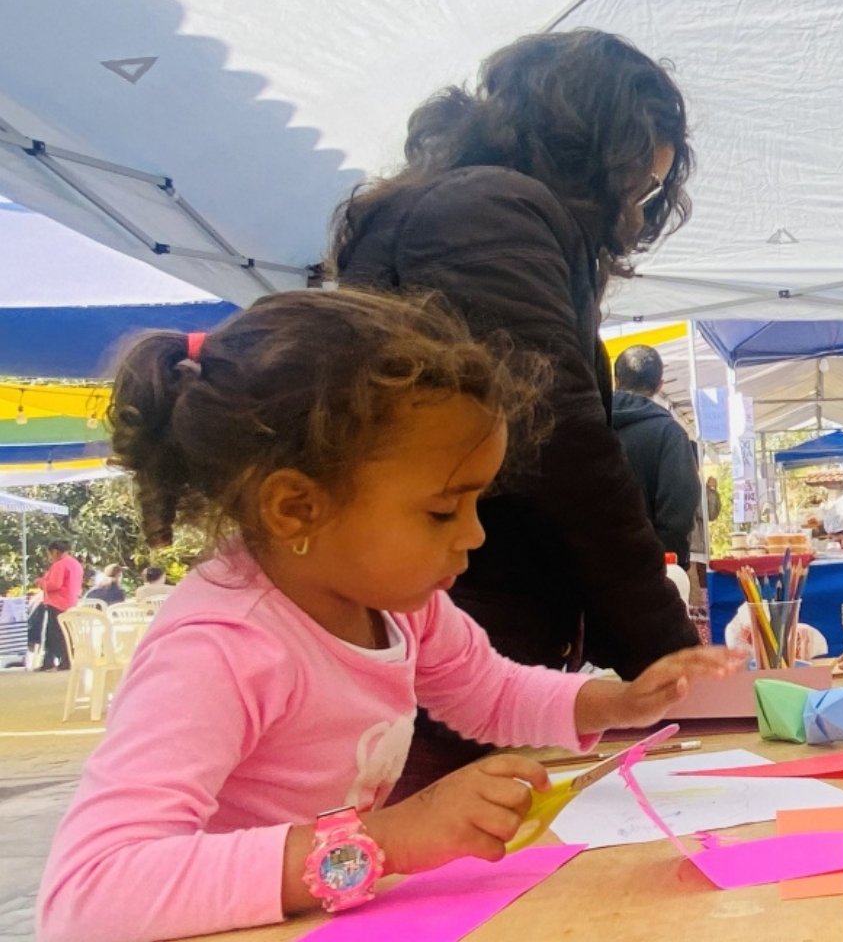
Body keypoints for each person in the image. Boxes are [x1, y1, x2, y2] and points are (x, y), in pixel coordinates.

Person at [37, 290, 737, 942]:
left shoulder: (401, 610)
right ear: (296, 507)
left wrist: (617, 699)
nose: (474, 535)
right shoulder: (221, 649)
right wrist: (392, 838)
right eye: (442, 510)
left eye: (476, 505)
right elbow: (89, 891)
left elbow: (487, 690)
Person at [330, 30, 699, 792]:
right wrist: (668, 658)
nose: (634, 208)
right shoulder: (488, 212)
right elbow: (564, 450)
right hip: (456, 642)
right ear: (588, 143)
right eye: (636, 182)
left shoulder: (465, 206)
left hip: (455, 642)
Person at [610, 344, 700, 565]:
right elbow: (679, 512)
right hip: (651, 573)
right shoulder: (670, 434)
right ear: (659, 385)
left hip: (588, 574)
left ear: (615, 380)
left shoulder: (587, 425)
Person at [30, 540, 83, 671]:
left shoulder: (60, 565)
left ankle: (61, 662)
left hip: (58, 603)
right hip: (70, 602)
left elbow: (54, 584)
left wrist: (40, 582)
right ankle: (56, 661)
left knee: (55, 634)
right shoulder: (75, 564)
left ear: (54, 551)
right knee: (63, 633)